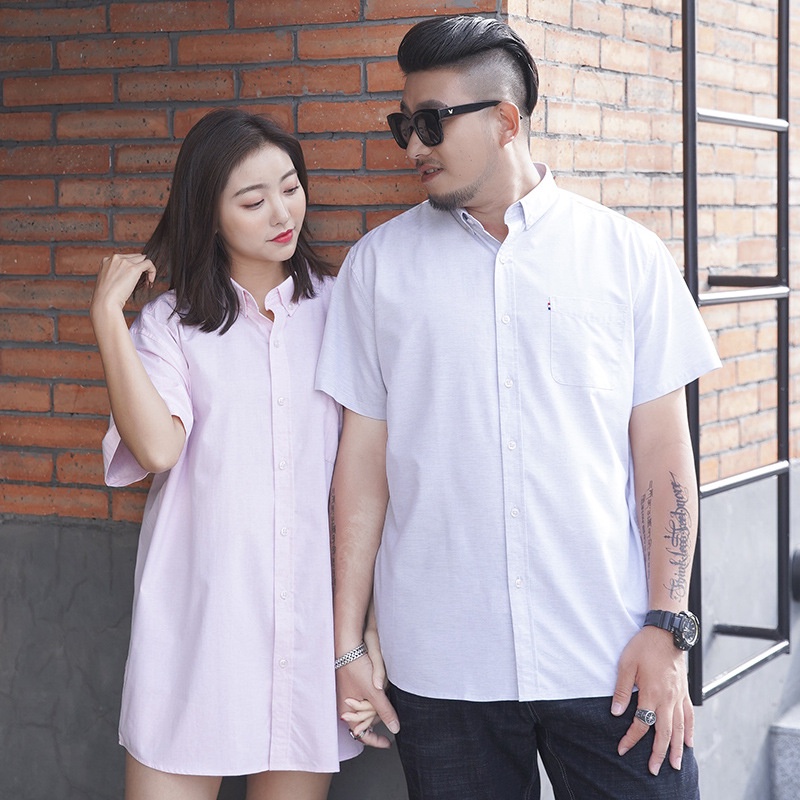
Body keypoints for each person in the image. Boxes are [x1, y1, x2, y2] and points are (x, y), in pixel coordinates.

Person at [316, 14, 721, 800]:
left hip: (609, 655)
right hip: (442, 667)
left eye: (431, 121)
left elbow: (664, 456)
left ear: (505, 120)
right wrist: (346, 647)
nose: (412, 146)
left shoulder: (626, 257)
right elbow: (361, 469)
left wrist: (669, 628)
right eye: (404, 124)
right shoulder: (377, 269)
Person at [90, 108, 363, 800]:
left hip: (305, 634)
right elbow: (157, 447)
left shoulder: (342, 310)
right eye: (252, 199)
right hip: (199, 628)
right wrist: (107, 319)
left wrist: (364, 638)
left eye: (290, 187)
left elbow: (366, 473)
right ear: (209, 216)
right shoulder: (172, 324)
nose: (282, 212)